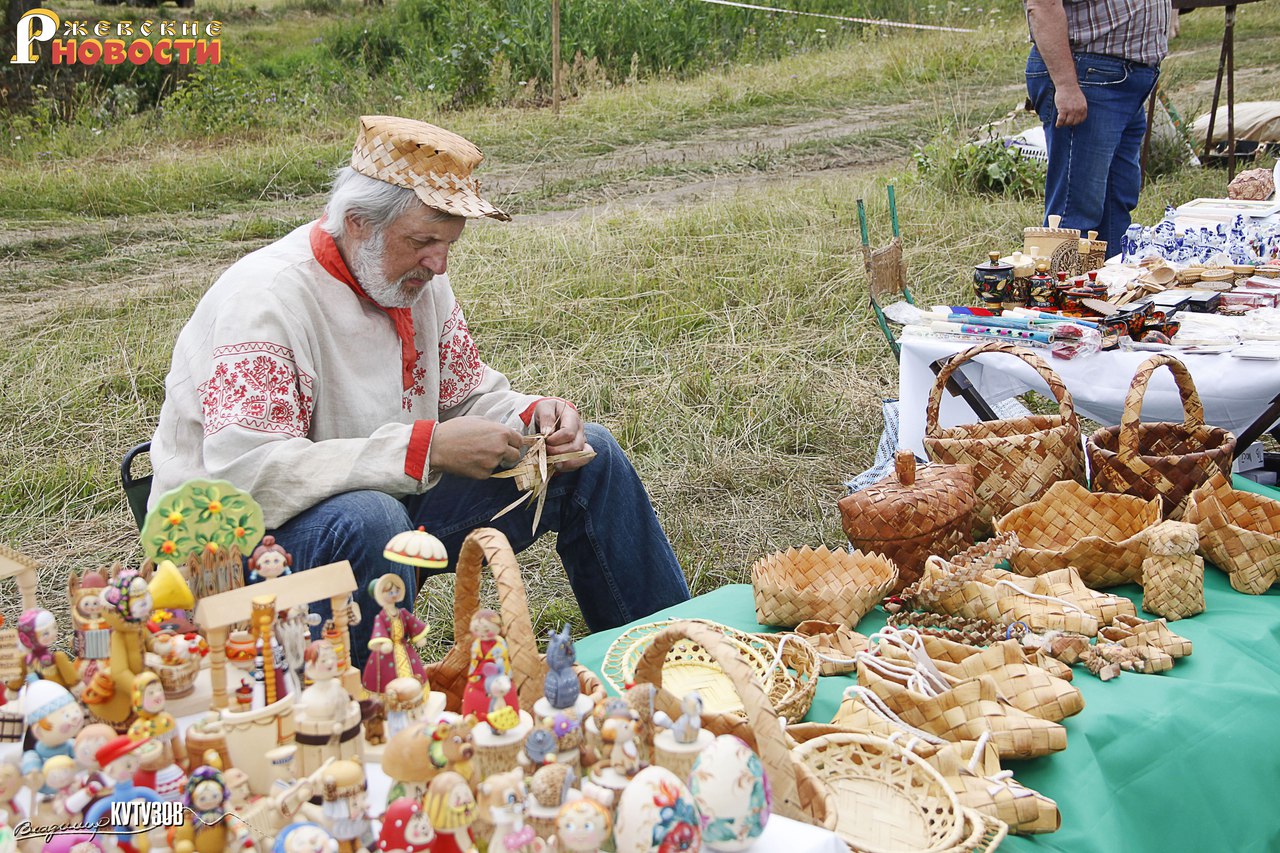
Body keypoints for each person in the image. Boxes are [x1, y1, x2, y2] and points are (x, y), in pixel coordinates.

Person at [148, 116, 690, 666]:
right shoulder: (266, 300)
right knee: (372, 519)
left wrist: (532, 416)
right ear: (357, 223)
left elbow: (464, 396)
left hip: (382, 503)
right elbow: (245, 477)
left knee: (589, 458)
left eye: (449, 242)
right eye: (424, 241)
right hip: (232, 555)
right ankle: (374, 720)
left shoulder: (412, 278)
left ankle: (670, 663)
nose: (440, 262)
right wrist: (426, 449)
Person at [1024, 0, 1168, 257]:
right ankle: (1060, 294)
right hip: (1087, 76)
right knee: (1073, 218)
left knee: (1115, 207)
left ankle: (1105, 294)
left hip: (1120, 78)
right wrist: (1066, 86)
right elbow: (1041, 5)